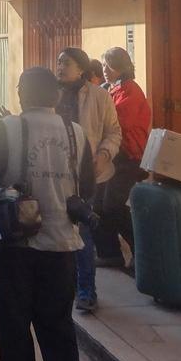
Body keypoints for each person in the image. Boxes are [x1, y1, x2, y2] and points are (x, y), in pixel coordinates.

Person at [0, 67, 94, 361]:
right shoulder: (76, 133)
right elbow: (88, 186)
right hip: (63, 243)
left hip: (17, 244)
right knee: (58, 322)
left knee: (14, 320)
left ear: (23, 93)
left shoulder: (10, 127)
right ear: (54, 95)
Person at [55, 49, 121, 313]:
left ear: (81, 69)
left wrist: (104, 153)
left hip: (87, 176)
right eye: (59, 62)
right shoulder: (51, 94)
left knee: (82, 234)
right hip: (56, 173)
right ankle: (63, 287)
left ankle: (86, 292)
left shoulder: (99, 96)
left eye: (66, 63)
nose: (60, 67)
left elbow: (114, 132)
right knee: (57, 233)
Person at [96, 47, 152, 268]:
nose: (106, 70)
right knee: (99, 204)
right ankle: (109, 253)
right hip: (112, 156)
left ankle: (141, 250)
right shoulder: (111, 88)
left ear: (121, 67)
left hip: (128, 156)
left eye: (109, 66)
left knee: (112, 205)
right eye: (104, 66)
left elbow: (119, 122)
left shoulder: (131, 90)